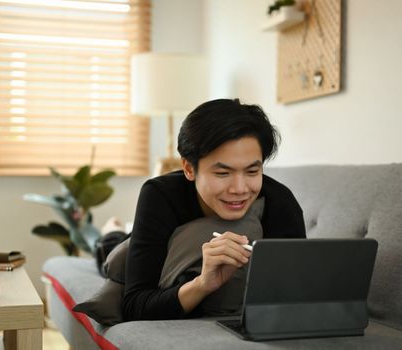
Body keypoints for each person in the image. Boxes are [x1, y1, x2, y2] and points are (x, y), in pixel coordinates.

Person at [122, 98, 306, 321]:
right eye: (222, 173)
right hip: (132, 247)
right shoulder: (160, 195)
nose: (239, 189)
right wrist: (202, 284)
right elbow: (134, 305)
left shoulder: (280, 203)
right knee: (115, 250)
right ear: (189, 168)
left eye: (251, 172)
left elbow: (295, 297)